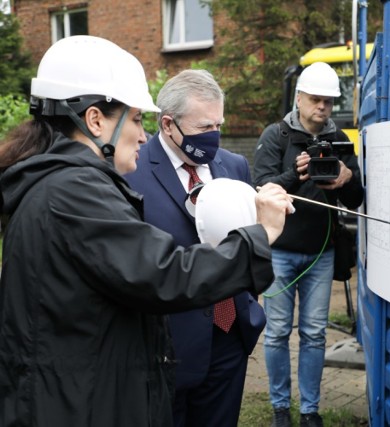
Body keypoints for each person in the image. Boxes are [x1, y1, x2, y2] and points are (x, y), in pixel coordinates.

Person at [0, 35, 290, 427]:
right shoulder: (72, 191)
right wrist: (261, 233)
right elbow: (165, 273)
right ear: (95, 119)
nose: (142, 134)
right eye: (136, 119)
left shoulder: (58, 184)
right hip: (77, 404)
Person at [125, 69, 265, 427]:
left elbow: (244, 238)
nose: (214, 135)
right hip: (165, 347)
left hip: (229, 335)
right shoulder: (130, 171)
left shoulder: (234, 166)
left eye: (219, 124)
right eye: (205, 127)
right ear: (168, 124)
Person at [253, 61, 364, 427]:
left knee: (314, 333)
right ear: (299, 98)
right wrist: (297, 174)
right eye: (316, 99)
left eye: (329, 102)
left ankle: (310, 411)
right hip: (279, 250)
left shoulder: (342, 141)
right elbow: (262, 189)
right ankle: (280, 409)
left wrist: (347, 177)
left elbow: (356, 200)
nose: (323, 108)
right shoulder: (276, 136)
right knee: (278, 332)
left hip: (321, 251)